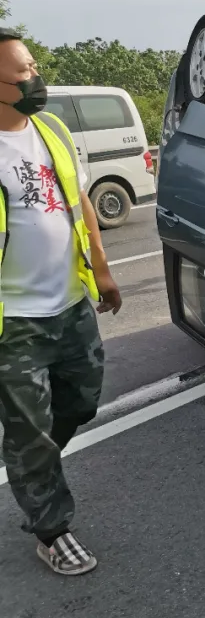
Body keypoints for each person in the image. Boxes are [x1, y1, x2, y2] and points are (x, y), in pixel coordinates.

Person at [0, 28, 122, 576]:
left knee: (80, 403)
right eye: (22, 72)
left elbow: (78, 201)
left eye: (33, 66)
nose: (35, 78)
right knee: (32, 433)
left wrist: (102, 267)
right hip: (14, 321)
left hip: (71, 304)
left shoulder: (50, 128)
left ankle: (29, 460)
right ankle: (51, 529)